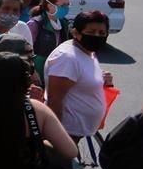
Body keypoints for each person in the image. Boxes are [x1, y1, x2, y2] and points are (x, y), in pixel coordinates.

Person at [45, 10, 113, 140]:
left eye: (102, 33)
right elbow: (55, 100)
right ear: (76, 33)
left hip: (79, 130)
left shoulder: (88, 52)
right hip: (67, 132)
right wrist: (56, 136)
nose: (97, 36)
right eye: (91, 32)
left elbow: (82, 77)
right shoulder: (67, 58)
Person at [27, 0, 71, 83]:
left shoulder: (64, 23)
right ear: (50, 6)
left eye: (68, 5)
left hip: (55, 71)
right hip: (38, 71)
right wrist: (32, 72)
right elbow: (26, 51)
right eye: (63, 5)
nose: (66, 8)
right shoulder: (35, 23)